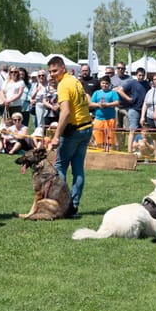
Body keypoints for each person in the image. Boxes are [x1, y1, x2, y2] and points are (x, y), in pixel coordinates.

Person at [48, 55, 92, 219]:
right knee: (78, 169)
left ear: (63, 68)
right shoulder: (75, 81)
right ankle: (73, 206)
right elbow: (85, 102)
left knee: (59, 168)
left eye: (55, 70)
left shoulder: (64, 85)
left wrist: (56, 136)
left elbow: (65, 112)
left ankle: (61, 205)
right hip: (86, 127)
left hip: (73, 131)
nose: (52, 74)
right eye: (50, 71)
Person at [115, 67, 149, 153]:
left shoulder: (146, 83)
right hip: (134, 109)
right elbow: (120, 90)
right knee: (132, 130)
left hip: (144, 110)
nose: (141, 77)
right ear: (136, 75)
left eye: (142, 75)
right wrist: (128, 98)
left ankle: (143, 151)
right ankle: (130, 151)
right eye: (139, 75)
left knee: (144, 132)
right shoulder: (132, 82)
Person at [90, 75, 119, 149]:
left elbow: (117, 102)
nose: (104, 85)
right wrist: (98, 105)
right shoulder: (96, 93)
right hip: (98, 118)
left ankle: (109, 153)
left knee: (109, 139)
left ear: (109, 84)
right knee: (98, 138)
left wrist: (107, 104)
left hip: (110, 119)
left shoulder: (113, 93)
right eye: (103, 83)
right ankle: (100, 152)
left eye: (106, 83)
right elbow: (91, 104)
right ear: (100, 83)